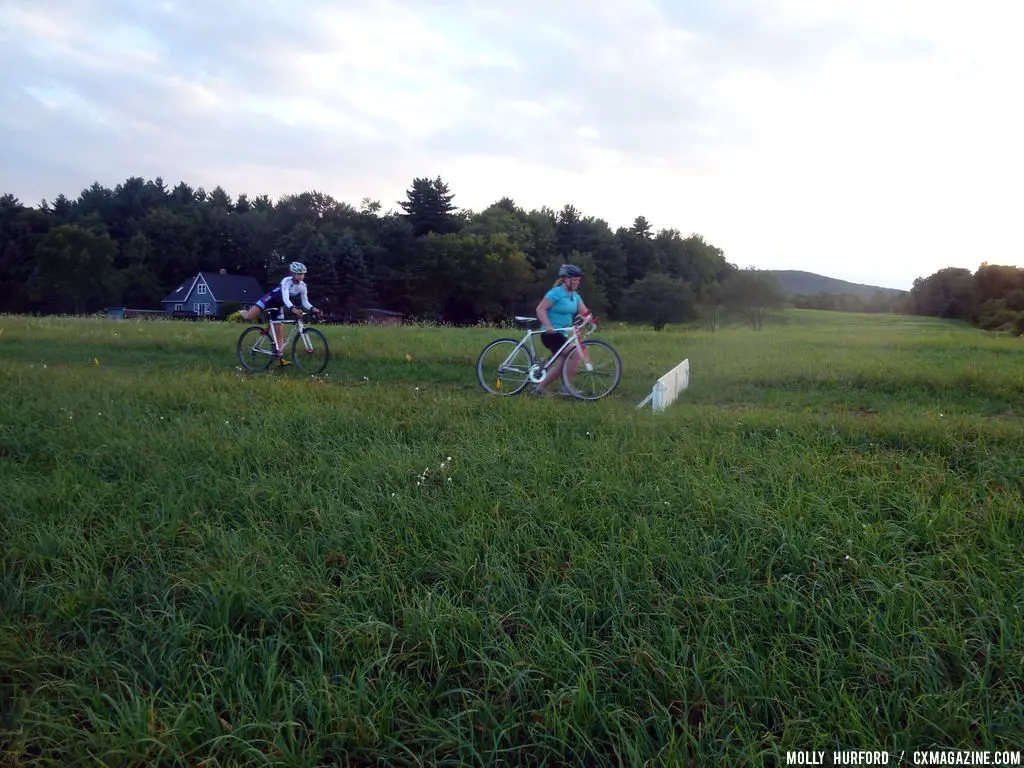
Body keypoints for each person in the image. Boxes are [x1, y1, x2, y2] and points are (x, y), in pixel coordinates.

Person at [239, 261, 322, 366]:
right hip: (269, 300)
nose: (301, 276)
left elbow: (305, 302)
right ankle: (239, 312)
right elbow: (286, 298)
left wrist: (313, 308)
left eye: (303, 274)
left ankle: (280, 359)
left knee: (279, 331)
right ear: (292, 274)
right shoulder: (286, 281)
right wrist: (294, 309)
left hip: (278, 306)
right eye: (299, 274)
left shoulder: (302, 286)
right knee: (249, 316)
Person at [533, 263, 592, 395]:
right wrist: (548, 325)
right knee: (575, 353)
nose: (577, 282)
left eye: (578, 280)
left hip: (563, 335)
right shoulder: (555, 293)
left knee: (564, 362)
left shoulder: (575, 296)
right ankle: (563, 387)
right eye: (574, 279)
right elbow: (540, 309)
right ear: (566, 279)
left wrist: (589, 319)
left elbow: (585, 313)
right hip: (550, 334)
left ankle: (542, 388)